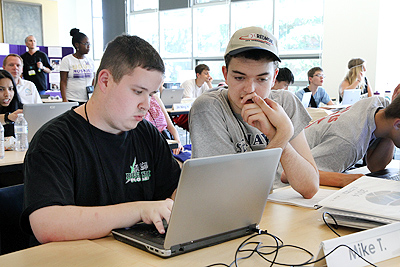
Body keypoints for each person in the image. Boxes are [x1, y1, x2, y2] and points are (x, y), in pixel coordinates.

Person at [21, 35, 181, 244]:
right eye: (138, 92)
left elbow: (175, 188)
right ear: (105, 81)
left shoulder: (146, 133)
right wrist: (140, 210)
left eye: (151, 94)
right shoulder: (54, 140)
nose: (147, 105)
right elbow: (46, 224)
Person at [189, 26, 319, 199]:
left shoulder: (286, 102)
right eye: (239, 78)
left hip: (281, 210)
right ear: (225, 74)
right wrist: (282, 135)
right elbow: (233, 194)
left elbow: (310, 187)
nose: (250, 89)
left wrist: (276, 135)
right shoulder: (208, 108)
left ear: (274, 77)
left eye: (262, 79)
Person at [305, 86, 400, 187]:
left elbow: (376, 167)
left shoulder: (379, 104)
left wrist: (389, 132)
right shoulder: (348, 142)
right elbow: (299, 172)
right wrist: (343, 180)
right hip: (291, 174)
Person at [60, 28, 95, 105]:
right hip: (72, 99)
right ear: (77, 45)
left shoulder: (90, 61)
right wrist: (64, 99)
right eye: (86, 44)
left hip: (88, 99)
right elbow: (63, 81)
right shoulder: (67, 60)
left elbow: (94, 80)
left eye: (89, 44)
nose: (88, 46)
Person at [0, 70, 23, 137]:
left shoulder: (18, 106)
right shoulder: (10, 116)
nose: (7, 94)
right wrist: (8, 117)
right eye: (1, 89)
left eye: (10, 89)